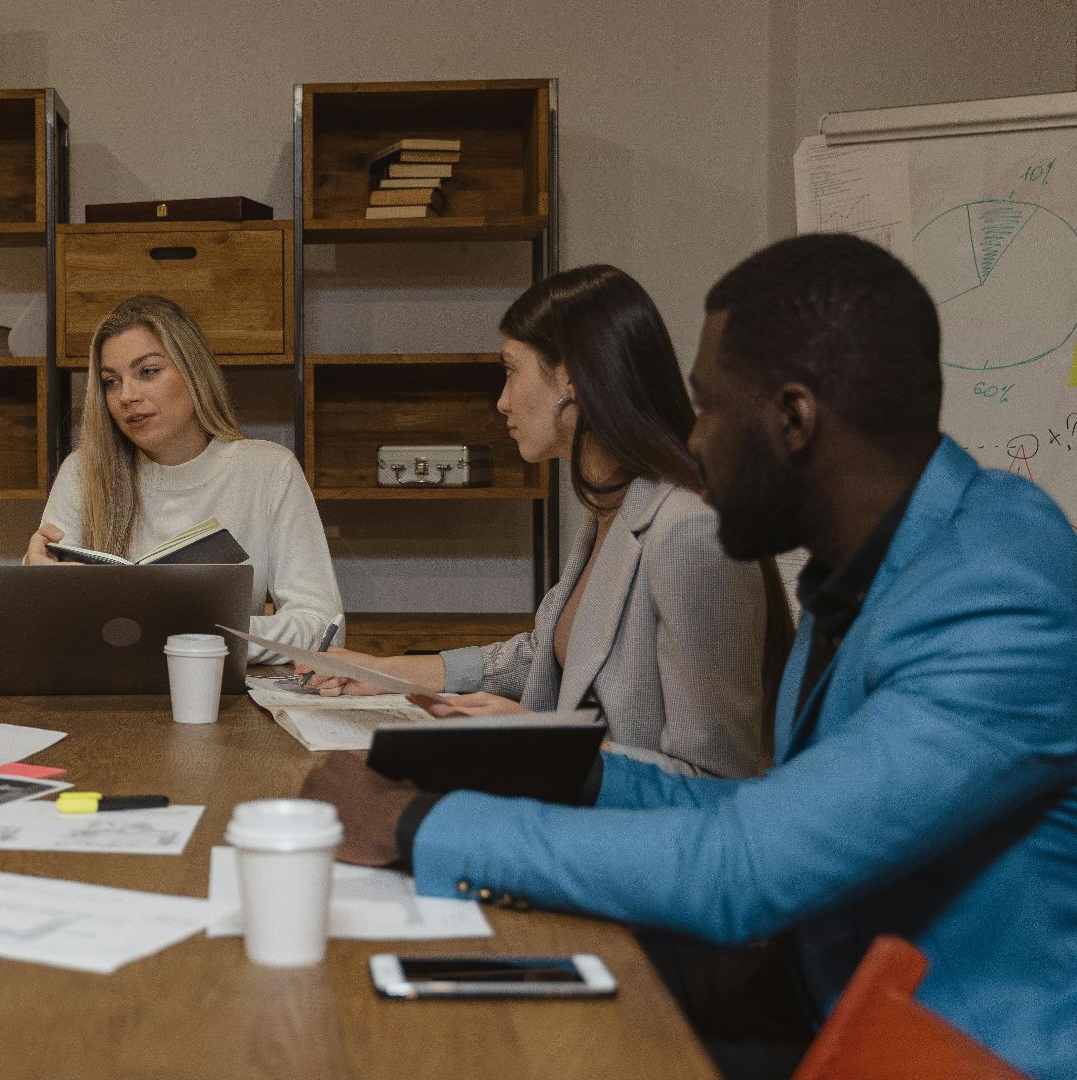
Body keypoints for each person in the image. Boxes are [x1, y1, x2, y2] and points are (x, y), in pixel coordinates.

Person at [302, 234, 1077, 1079]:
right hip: (814, 988)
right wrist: (547, 768)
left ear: (792, 419)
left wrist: (414, 824)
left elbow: (744, 864)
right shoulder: (866, 560)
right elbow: (771, 810)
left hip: (935, 1053)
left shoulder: (1001, 594)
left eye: (708, 410)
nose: (691, 443)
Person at [310, 265, 788, 779]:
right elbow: (546, 653)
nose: (501, 401)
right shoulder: (612, 507)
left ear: (572, 379)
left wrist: (537, 740)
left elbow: (718, 782)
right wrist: (389, 673)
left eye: (511, 370)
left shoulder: (689, 530)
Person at [23, 294, 341, 663]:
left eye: (148, 372)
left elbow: (322, 626)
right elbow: (43, 631)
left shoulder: (268, 471)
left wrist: (206, 636)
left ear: (193, 372)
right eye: (111, 382)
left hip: (216, 693)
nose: (126, 396)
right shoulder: (82, 472)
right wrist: (35, 584)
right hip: (105, 693)